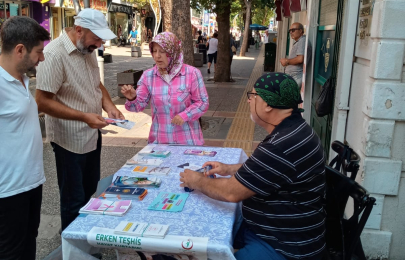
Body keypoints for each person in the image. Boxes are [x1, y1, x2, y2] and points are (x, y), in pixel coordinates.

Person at [180, 73, 325, 260]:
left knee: (201, 236)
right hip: (276, 228)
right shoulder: (295, 128)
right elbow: (271, 169)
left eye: (253, 96)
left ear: (268, 104)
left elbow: (230, 193)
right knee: (203, 231)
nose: (248, 101)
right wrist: (229, 169)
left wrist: (196, 180)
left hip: (283, 245)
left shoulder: (281, 144)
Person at [36, 8, 124, 231]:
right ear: (78, 30)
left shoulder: (87, 48)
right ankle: (73, 248)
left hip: (91, 135)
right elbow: (43, 101)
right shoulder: (54, 55)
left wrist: (110, 106)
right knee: (73, 200)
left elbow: (96, 83)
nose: (100, 44)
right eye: (97, 38)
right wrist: (83, 116)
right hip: (69, 141)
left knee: (88, 193)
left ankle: (86, 240)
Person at [0, 16, 49, 260]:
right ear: (20, 50)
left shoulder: (22, 79)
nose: (41, 58)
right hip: (8, 192)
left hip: (31, 184)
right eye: (38, 52)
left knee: (28, 246)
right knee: (12, 253)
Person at [120, 31, 209, 145]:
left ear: (173, 52)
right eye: (154, 51)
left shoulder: (191, 73)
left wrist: (185, 115)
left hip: (187, 141)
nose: (157, 56)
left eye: (162, 51)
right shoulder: (148, 76)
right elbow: (138, 106)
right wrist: (132, 98)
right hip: (160, 142)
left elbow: (202, 102)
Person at [280, 22, 311, 88]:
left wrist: (287, 61)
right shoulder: (299, 41)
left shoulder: (302, 40)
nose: (291, 32)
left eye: (293, 30)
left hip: (296, 76)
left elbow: (300, 59)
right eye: (290, 31)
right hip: (293, 76)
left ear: (300, 31)